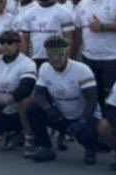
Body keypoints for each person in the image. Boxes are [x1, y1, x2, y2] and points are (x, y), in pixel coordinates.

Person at [29, 35, 99, 163]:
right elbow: (39, 95)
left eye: (59, 54)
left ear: (66, 53)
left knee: (86, 135)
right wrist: (49, 109)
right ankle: (46, 147)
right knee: (33, 109)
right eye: (51, 55)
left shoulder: (82, 69)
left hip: (84, 115)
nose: (55, 58)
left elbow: (92, 99)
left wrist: (83, 121)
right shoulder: (45, 68)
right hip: (61, 114)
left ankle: (90, 149)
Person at [17, 0, 74, 67]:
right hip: (35, 59)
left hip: (57, 59)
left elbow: (69, 40)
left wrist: (67, 62)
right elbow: (25, 40)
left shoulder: (64, 12)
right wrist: (24, 63)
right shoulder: (29, 13)